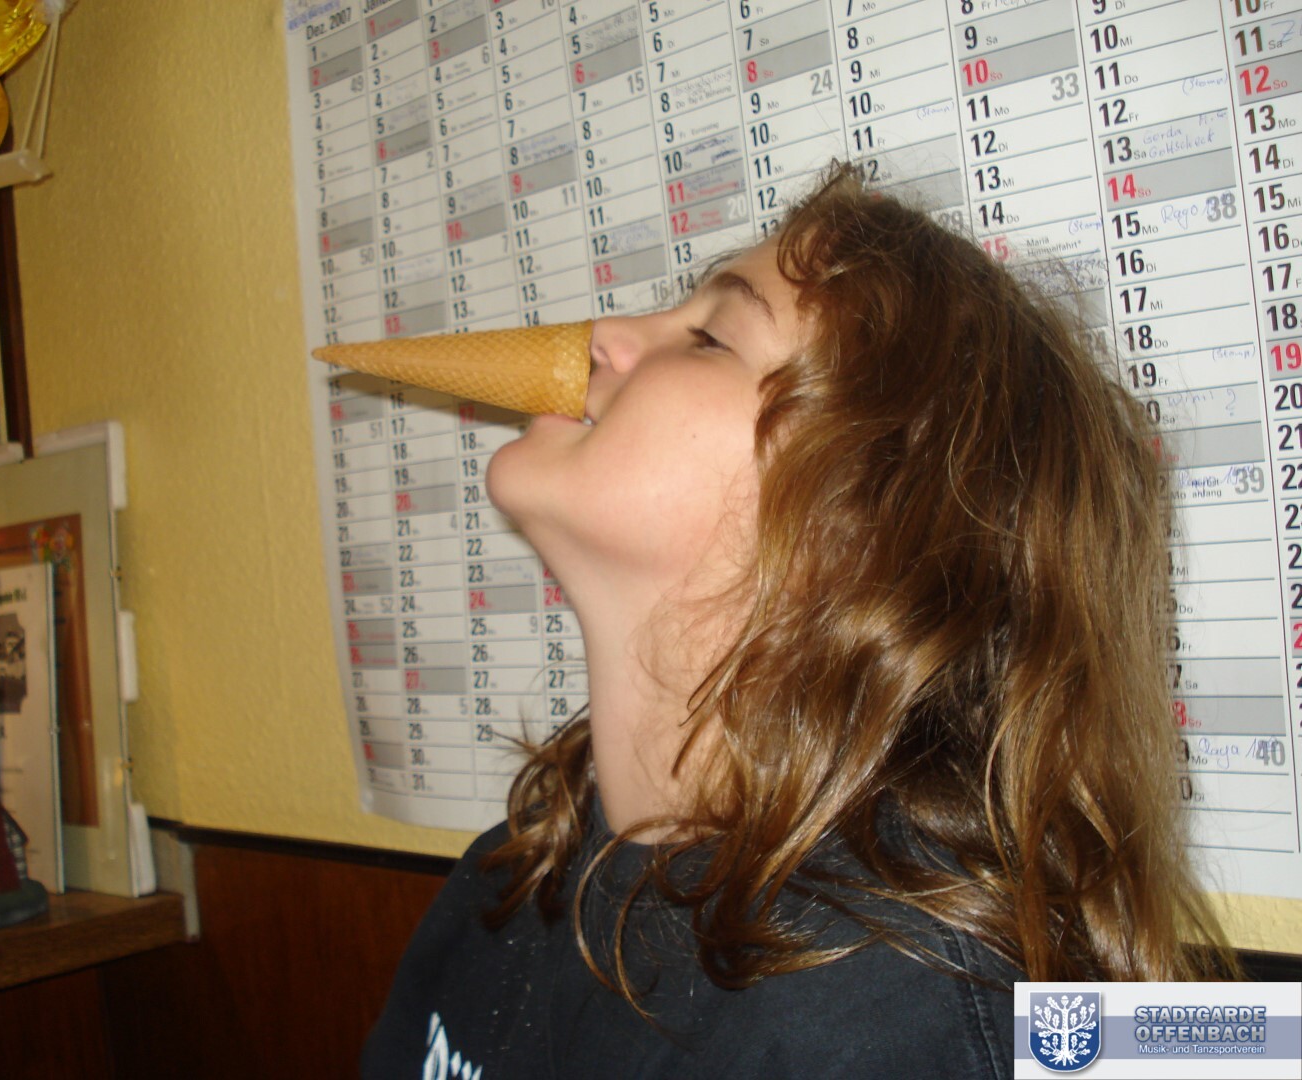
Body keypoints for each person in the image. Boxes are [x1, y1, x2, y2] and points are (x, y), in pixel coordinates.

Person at [361, 164, 1236, 1078]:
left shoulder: (898, 1019)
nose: (600, 338)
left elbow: (1237, 1046)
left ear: (856, 532)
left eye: (710, 337)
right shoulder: (517, 877)